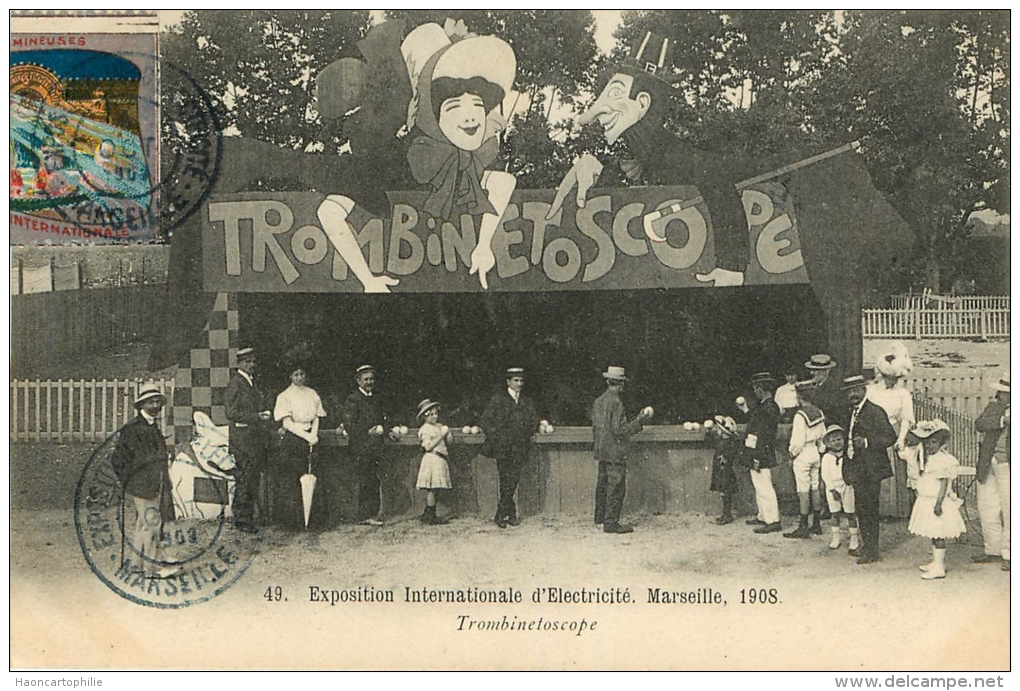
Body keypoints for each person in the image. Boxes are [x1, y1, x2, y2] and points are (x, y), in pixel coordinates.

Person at [547, 31, 749, 288]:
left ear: (643, 103)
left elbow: (717, 177)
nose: (595, 113)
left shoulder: (670, 153)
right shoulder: (644, 152)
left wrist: (732, 266)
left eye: (615, 93)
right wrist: (597, 166)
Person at [110, 383, 175, 576]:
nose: (155, 405)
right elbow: (118, 459)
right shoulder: (132, 429)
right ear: (141, 405)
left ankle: (136, 564)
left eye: (157, 402)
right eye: (150, 402)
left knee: (143, 524)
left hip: (154, 482)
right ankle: (153, 568)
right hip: (142, 484)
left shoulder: (151, 425)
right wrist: (129, 480)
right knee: (152, 523)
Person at [842, 374, 898, 564]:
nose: (853, 394)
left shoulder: (874, 411)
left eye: (856, 390)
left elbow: (890, 437)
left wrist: (867, 442)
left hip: (872, 469)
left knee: (870, 509)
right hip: (858, 469)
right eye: (849, 391)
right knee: (861, 508)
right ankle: (867, 546)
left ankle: (872, 551)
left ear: (863, 389)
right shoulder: (851, 411)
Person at [591, 366, 654, 534]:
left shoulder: (598, 401)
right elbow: (620, 431)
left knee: (603, 484)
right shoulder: (616, 402)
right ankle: (611, 523)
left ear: (607, 382)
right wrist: (639, 421)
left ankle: (600, 517)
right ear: (621, 384)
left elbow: (596, 428)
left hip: (602, 450)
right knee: (616, 487)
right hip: (615, 451)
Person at [479, 367, 540, 528]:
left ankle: (504, 513)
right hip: (503, 448)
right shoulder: (498, 400)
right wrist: (498, 437)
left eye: (521, 380)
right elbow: (485, 421)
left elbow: (534, 421)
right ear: (508, 382)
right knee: (506, 479)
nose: (519, 384)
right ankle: (507, 514)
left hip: (520, 447)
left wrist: (526, 431)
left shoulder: (527, 401)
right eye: (516, 380)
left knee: (513, 480)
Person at [906, 420, 967, 580]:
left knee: (939, 533)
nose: (929, 446)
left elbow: (944, 484)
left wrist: (939, 503)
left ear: (941, 443)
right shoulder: (925, 458)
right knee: (933, 532)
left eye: (933, 442)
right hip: (926, 500)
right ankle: (936, 561)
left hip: (936, 501)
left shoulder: (942, 460)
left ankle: (939, 566)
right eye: (927, 442)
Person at [342, 364, 398, 526]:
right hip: (360, 447)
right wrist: (368, 432)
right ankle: (363, 515)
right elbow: (349, 424)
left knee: (374, 480)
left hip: (375, 447)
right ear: (358, 381)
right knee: (364, 480)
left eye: (371, 379)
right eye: (366, 379)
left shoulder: (376, 398)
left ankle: (372, 514)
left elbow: (382, 419)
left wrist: (386, 431)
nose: (369, 382)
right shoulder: (353, 400)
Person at [272, 366, 327, 530]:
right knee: (292, 478)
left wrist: (313, 435)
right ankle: (293, 522)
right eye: (296, 374)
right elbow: (287, 423)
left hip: (311, 438)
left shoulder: (312, 393)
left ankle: (313, 521)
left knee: (313, 476)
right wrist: (306, 436)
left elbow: (316, 417)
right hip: (294, 439)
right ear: (290, 376)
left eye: (302, 374)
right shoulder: (284, 396)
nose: (299, 377)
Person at [225, 347, 272, 533]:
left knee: (251, 479)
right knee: (245, 479)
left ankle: (247, 518)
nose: (252, 365)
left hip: (252, 440)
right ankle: (242, 520)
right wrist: (257, 416)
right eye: (247, 362)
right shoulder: (236, 383)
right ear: (239, 364)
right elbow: (231, 413)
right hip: (242, 441)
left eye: (253, 361)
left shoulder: (251, 382)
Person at [867, 341, 917, 513]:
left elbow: (906, 419)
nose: (892, 382)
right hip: (875, 432)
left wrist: (901, 438)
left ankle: (894, 510)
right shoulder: (871, 391)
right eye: (889, 378)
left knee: (895, 470)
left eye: (895, 379)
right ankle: (879, 509)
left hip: (893, 431)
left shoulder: (903, 394)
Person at [973, 371, 1010, 571]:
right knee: (987, 507)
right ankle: (992, 549)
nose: (1000, 395)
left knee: (1010, 509)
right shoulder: (995, 408)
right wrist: (1002, 420)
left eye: (1004, 392)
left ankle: (1010, 553)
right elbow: (979, 424)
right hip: (988, 463)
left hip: (1009, 466)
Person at [739, 372, 783, 534]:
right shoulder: (765, 406)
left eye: (756, 388)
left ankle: (773, 520)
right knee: (759, 485)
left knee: (765, 487)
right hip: (756, 452)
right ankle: (763, 516)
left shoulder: (769, 408)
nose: (754, 391)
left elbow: (765, 435)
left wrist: (758, 456)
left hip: (761, 453)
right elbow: (755, 423)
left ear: (761, 389)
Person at [784, 380, 827, 539]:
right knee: (815, 487)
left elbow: (797, 441)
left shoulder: (800, 415)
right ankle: (816, 524)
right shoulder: (819, 412)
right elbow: (823, 436)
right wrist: (820, 450)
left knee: (803, 491)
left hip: (803, 453)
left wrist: (791, 454)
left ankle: (803, 526)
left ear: (799, 396)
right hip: (815, 451)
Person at [819, 424, 859, 552]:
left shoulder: (848, 455)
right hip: (833, 488)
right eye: (833, 440)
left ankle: (854, 538)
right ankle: (835, 537)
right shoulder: (827, 457)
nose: (837, 442)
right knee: (835, 513)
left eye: (839, 439)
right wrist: (832, 489)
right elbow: (825, 475)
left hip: (847, 486)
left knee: (850, 513)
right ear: (828, 443)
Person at [415, 399, 453, 525]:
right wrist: (441, 435)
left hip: (441, 458)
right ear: (424, 416)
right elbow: (427, 447)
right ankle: (431, 515)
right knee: (432, 488)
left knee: (437, 488)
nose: (435, 417)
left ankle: (428, 512)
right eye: (431, 414)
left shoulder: (439, 427)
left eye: (436, 414)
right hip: (432, 458)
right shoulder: (425, 429)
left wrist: (448, 433)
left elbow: (449, 442)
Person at [709, 415, 740, 525]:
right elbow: (709, 442)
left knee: (726, 492)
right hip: (720, 470)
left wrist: (724, 458)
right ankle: (725, 514)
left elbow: (730, 455)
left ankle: (727, 515)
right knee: (723, 492)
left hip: (725, 470)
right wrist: (708, 431)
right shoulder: (721, 440)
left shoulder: (731, 442)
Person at [804, 353, 843, 422]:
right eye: (811, 370)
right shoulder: (816, 386)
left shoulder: (833, 388)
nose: (811, 373)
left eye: (816, 370)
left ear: (826, 371)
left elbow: (832, 413)